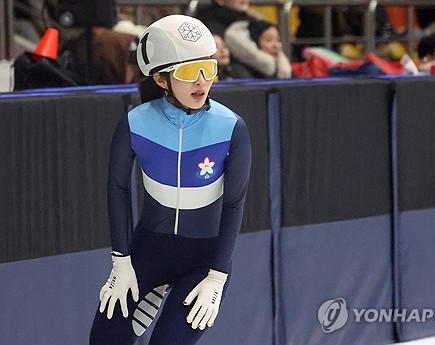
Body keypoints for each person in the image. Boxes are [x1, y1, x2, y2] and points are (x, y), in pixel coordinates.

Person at [89, 14, 252, 345]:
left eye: (209, 68)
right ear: (161, 79)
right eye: (191, 72)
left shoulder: (232, 127)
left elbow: (235, 203)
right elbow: (117, 190)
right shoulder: (134, 123)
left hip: (204, 263)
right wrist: (120, 261)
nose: (202, 82)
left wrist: (217, 277)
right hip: (148, 253)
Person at [225, 19, 292, 79]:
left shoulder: (283, 69)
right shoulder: (241, 72)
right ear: (254, 43)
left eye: (278, 40)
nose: (276, 45)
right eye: (268, 40)